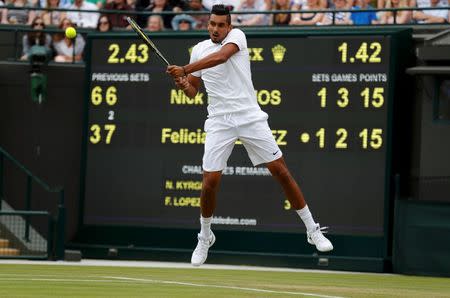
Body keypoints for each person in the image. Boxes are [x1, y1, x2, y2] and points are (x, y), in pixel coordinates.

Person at [166, 4, 333, 267]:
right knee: (210, 181)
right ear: (207, 24)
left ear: (229, 27)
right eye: (212, 24)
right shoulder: (198, 50)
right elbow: (193, 92)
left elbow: (221, 58)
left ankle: (312, 229)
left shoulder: (237, 37)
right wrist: (184, 82)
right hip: (219, 120)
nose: (216, 29)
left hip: (249, 116)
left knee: (280, 171)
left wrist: (184, 69)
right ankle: (205, 235)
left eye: (221, 25)